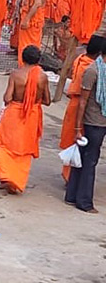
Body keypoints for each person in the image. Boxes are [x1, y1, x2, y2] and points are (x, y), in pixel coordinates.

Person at [0, 45, 51, 195]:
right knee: (24, 150)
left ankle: (7, 178)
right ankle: (13, 181)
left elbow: (7, 98)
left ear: (22, 59)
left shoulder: (16, 74)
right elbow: (47, 101)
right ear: (38, 60)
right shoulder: (43, 77)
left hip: (14, 114)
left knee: (3, 145)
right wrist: (32, 101)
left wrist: (21, 100)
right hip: (32, 116)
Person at [66, 36, 106, 213]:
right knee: (90, 160)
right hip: (93, 121)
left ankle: (72, 195)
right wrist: (77, 128)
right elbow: (83, 101)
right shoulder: (93, 71)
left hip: (100, 120)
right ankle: (84, 202)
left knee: (84, 158)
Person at [17, 0, 51, 65]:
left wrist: (27, 19)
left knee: (26, 45)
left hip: (32, 18)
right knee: (35, 44)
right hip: (38, 17)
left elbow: (37, 3)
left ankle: (24, 68)